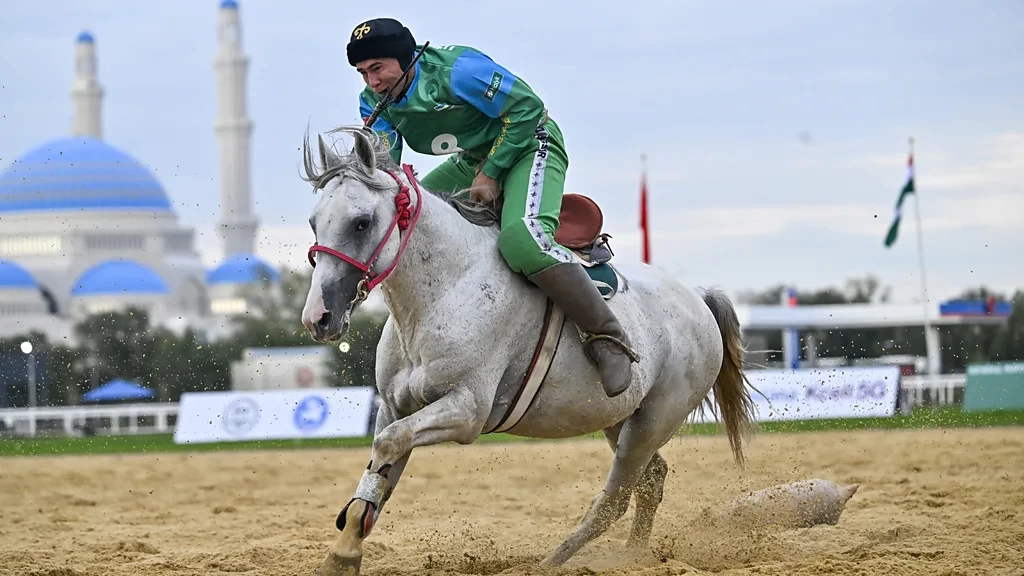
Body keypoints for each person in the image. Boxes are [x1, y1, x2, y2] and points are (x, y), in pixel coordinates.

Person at [346, 18, 638, 397]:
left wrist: (492, 171)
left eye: (378, 68)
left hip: (531, 144)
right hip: (474, 158)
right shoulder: (373, 101)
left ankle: (608, 337)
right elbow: (387, 173)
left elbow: (529, 109)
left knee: (521, 243)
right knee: (406, 218)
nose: (372, 82)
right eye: (362, 72)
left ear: (406, 58)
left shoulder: (458, 72)